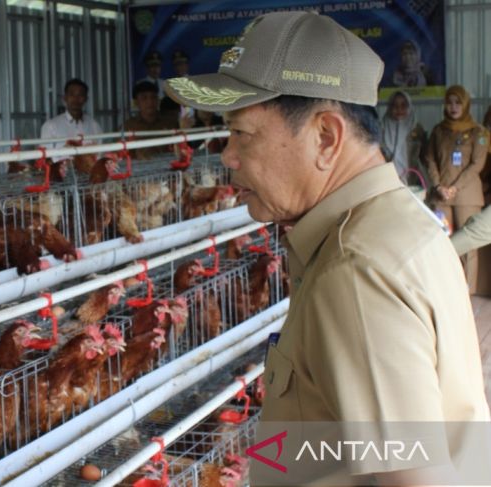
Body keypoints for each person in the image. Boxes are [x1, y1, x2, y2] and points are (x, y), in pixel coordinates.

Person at [165, 10, 489, 486]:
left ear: (325, 136)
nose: (228, 156)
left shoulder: (355, 269)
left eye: (241, 133)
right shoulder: (394, 223)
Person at [424, 84, 487, 292]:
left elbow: (477, 164)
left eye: (458, 102)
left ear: (466, 104)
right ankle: (447, 291)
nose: (453, 107)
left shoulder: (478, 132)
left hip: (466, 196)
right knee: (442, 243)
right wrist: (438, 185)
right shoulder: (438, 130)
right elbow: (429, 159)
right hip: (441, 196)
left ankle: (467, 292)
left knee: (468, 244)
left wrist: (454, 188)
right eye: (449, 102)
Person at [40, 78, 103, 155]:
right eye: (72, 94)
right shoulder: (51, 126)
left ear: (86, 99)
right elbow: (46, 158)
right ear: (65, 98)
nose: (76, 99)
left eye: (80, 95)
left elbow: (100, 155)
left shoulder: (94, 126)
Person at [122, 81, 177, 160]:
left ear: (158, 100)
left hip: (167, 167)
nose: (150, 102)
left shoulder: (170, 123)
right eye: (144, 98)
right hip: (139, 169)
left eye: (153, 97)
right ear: (136, 102)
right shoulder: (128, 126)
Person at [380, 90, 426, 183]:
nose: (399, 109)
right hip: (388, 179)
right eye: (395, 105)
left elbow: (424, 157)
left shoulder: (416, 129)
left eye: (403, 105)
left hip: (411, 177)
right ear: (389, 107)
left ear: (409, 107)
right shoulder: (382, 128)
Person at [160, 50, 190, 119]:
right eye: (177, 64)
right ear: (174, 67)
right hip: (174, 117)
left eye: (182, 64)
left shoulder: (195, 83)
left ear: (187, 65)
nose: (180, 67)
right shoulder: (169, 85)